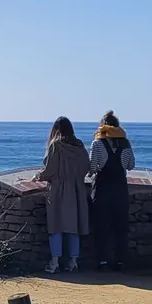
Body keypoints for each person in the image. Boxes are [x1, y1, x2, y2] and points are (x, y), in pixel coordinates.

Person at [36, 116, 91, 273]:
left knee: (56, 226)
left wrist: (39, 176)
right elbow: (86, 167)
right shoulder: (80, 146)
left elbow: (50, 170)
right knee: (74, 226)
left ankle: (54, 262)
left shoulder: (56, 146)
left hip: (59, 190)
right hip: (76, 189)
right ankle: (73, 261)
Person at [89, 111, 134, 270]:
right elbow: (130, 165)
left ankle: (103, 261)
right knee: (120, 226)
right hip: (120, 187)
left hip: (102, 187)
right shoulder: (125, 143)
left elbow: (93, 167)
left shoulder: (98, 143)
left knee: (102, 226)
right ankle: (121, 261)